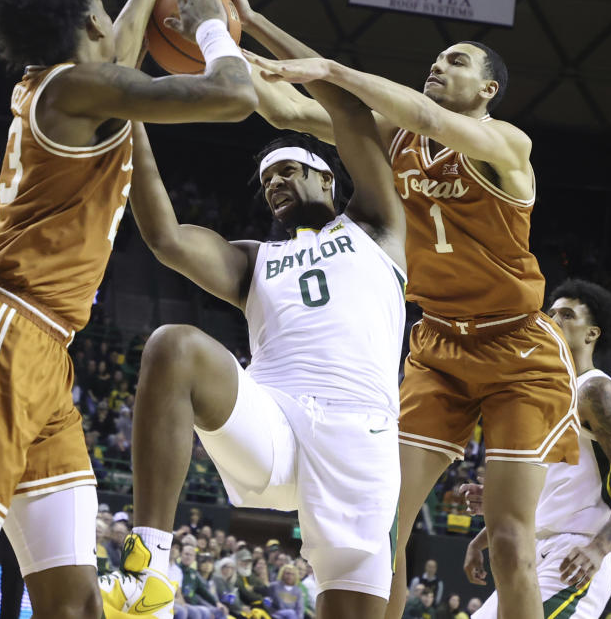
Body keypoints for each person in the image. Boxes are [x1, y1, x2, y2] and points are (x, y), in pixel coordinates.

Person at [0, 0, 257, 619]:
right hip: (1, 338)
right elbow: (231, 94)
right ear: (85, 18)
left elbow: (119, 54)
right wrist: (208, 32)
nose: (118, 22)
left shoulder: (66, 88)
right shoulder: (78, 90)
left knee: (75, 607)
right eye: (107, 9)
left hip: (45, 356)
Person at [221, 0, 578, 619]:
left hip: (516, 347)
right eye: (436, 60)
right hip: (439, 343)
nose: (439, 66)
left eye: (457, 61)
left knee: (508, 538)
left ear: (489, 89)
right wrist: (236, 32)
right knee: (386, 515)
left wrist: (327, 67)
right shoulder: (399, 137)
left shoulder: (507, 146)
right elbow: (289, 110)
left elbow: (425, 115)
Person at [101, 62, 406, 618]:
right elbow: (167, 239)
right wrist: (130, 112)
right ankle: (147, 572)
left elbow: (350, 113)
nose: (274, 185)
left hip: (359, 436)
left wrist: (289, 58)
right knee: (175, 346)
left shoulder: (377, 228)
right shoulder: (254, 259)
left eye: (287, 171)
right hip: (275, 424)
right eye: (267, 181)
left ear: (325, 178)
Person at [463, 280, 611, 619]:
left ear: (591, 334)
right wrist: (482, 535)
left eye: (567, 315)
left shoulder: (597, 391)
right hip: (534, 550)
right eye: (551, 313)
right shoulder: (548, 393)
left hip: (574, 557)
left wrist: (597, 549)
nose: (553, 320)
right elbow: (547, 492)